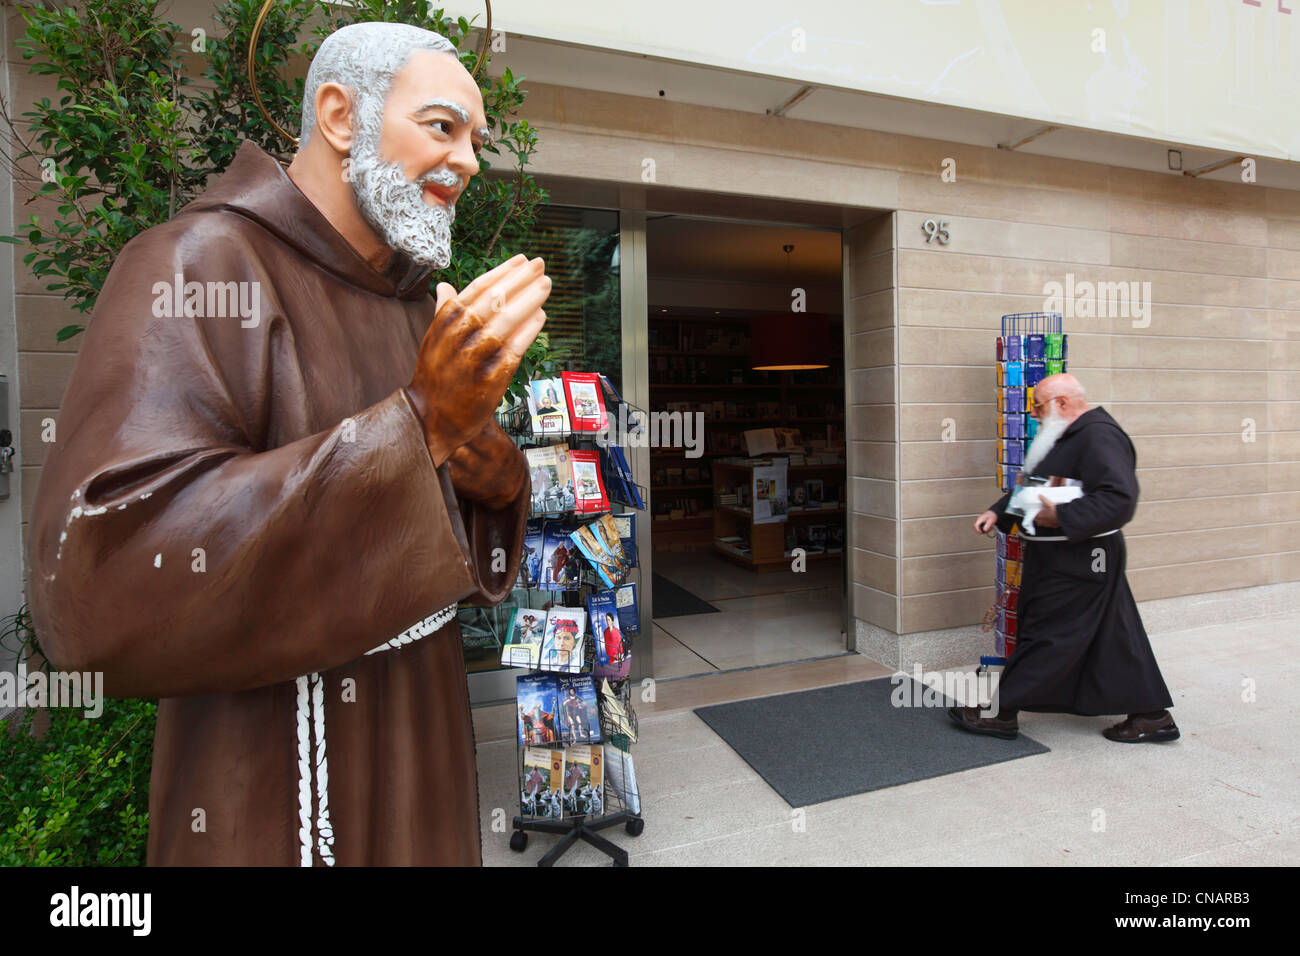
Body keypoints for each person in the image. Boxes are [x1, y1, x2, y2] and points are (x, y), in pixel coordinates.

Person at [26, 22, 552, 865]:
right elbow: (95, 578)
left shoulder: (414, 303)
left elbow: (433, 484)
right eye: (444, 127)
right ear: (340, 116)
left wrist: (489, 467)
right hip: (274, 782)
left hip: (424, 742)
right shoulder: (196, 263)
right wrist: (421, 424)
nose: (469, 163)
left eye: (477, 142)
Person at [950, 374, 1179, 744]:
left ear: (1062, 403)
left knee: (1048, 632)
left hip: (1080, 556)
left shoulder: (1098, 436)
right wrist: (999, 511)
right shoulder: (1067, 433)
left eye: (1038, 406)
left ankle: (1001, 713)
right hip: (1076, 555)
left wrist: (1059, 518)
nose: (1034, 414)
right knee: (1112, 633)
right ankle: (1151, 716)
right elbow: (1035, 483)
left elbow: (1120, 499)